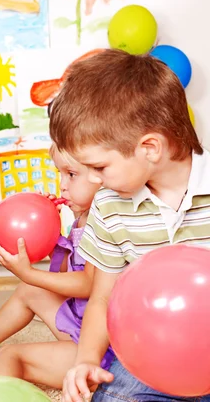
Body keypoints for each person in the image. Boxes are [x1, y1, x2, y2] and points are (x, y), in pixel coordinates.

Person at [49, 49, 210, 402]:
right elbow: (103, 296)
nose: (93, 180)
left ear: (149, 148)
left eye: (100, 167)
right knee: (113, 396)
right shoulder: (109, 205)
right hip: (153, 356)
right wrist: (86, 360)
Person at [0, 143, 113, 389]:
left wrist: (30, 273)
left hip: (102, 348)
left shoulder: (105, 221)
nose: (62, 185)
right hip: (83, 322)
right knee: (29, 290)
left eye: (71, 175)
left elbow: (88, 285)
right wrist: (52, 233)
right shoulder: (82, 219)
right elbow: (67, 275)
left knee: (11, 355)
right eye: (60, 174)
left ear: (102, 176)